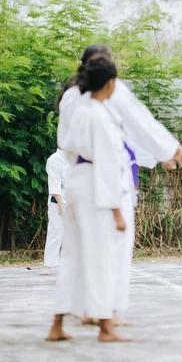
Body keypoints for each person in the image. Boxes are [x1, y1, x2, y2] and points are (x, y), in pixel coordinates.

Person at [56, 44, 182, 326]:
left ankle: (81, 310)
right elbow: (137, 124)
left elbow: (122, 133)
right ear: (107, 73)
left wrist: (160, 153)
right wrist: (169, 150)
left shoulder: (71, 96)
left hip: (77, 175)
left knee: (76, 250)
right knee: (112, 246)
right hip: (104, 178)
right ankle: (109, 312)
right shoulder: (106, 95)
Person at [47, 55, 130, 342]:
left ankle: (57, 324)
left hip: (76, 183)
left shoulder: (77, 111)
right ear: (110, 84)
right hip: (96, 186)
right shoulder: (100, 116)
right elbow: (107, 165)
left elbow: (67, 146)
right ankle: (106, 327)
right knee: (100, 257)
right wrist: (118, 213)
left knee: (71, 257)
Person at [41, 148, 68, 276]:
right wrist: (60, 203)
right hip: (58, 202)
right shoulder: (55, 159)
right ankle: (48, 265)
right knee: (55, 232)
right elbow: (54, 183)